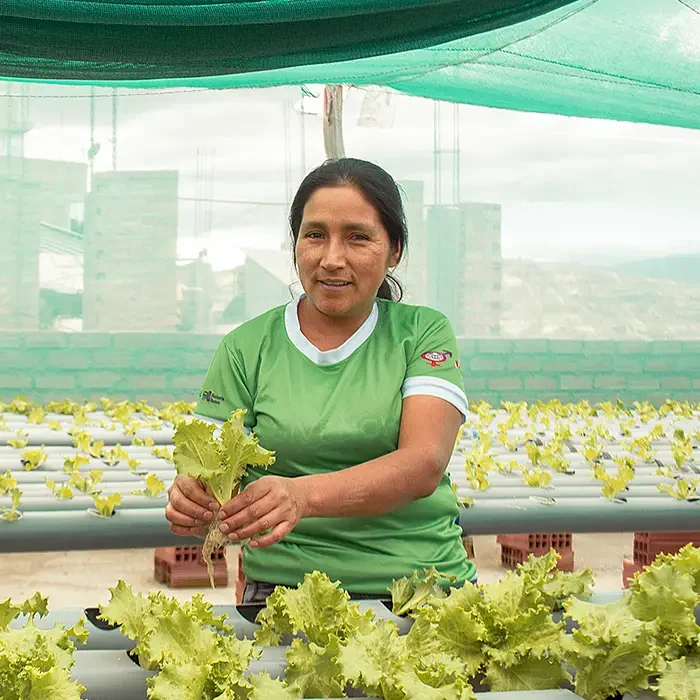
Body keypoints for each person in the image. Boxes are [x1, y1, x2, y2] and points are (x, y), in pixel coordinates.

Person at [165, 158, 476, 602]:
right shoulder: (246, 347)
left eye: (357, 237)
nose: (332, 259)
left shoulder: (422, 333)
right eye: (315, 236)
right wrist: (194, 497)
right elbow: (209, 467)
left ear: (394, 251)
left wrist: (302, 496)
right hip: (285, 594)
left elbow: (423, 463)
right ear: (295, 246)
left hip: (419, 589)